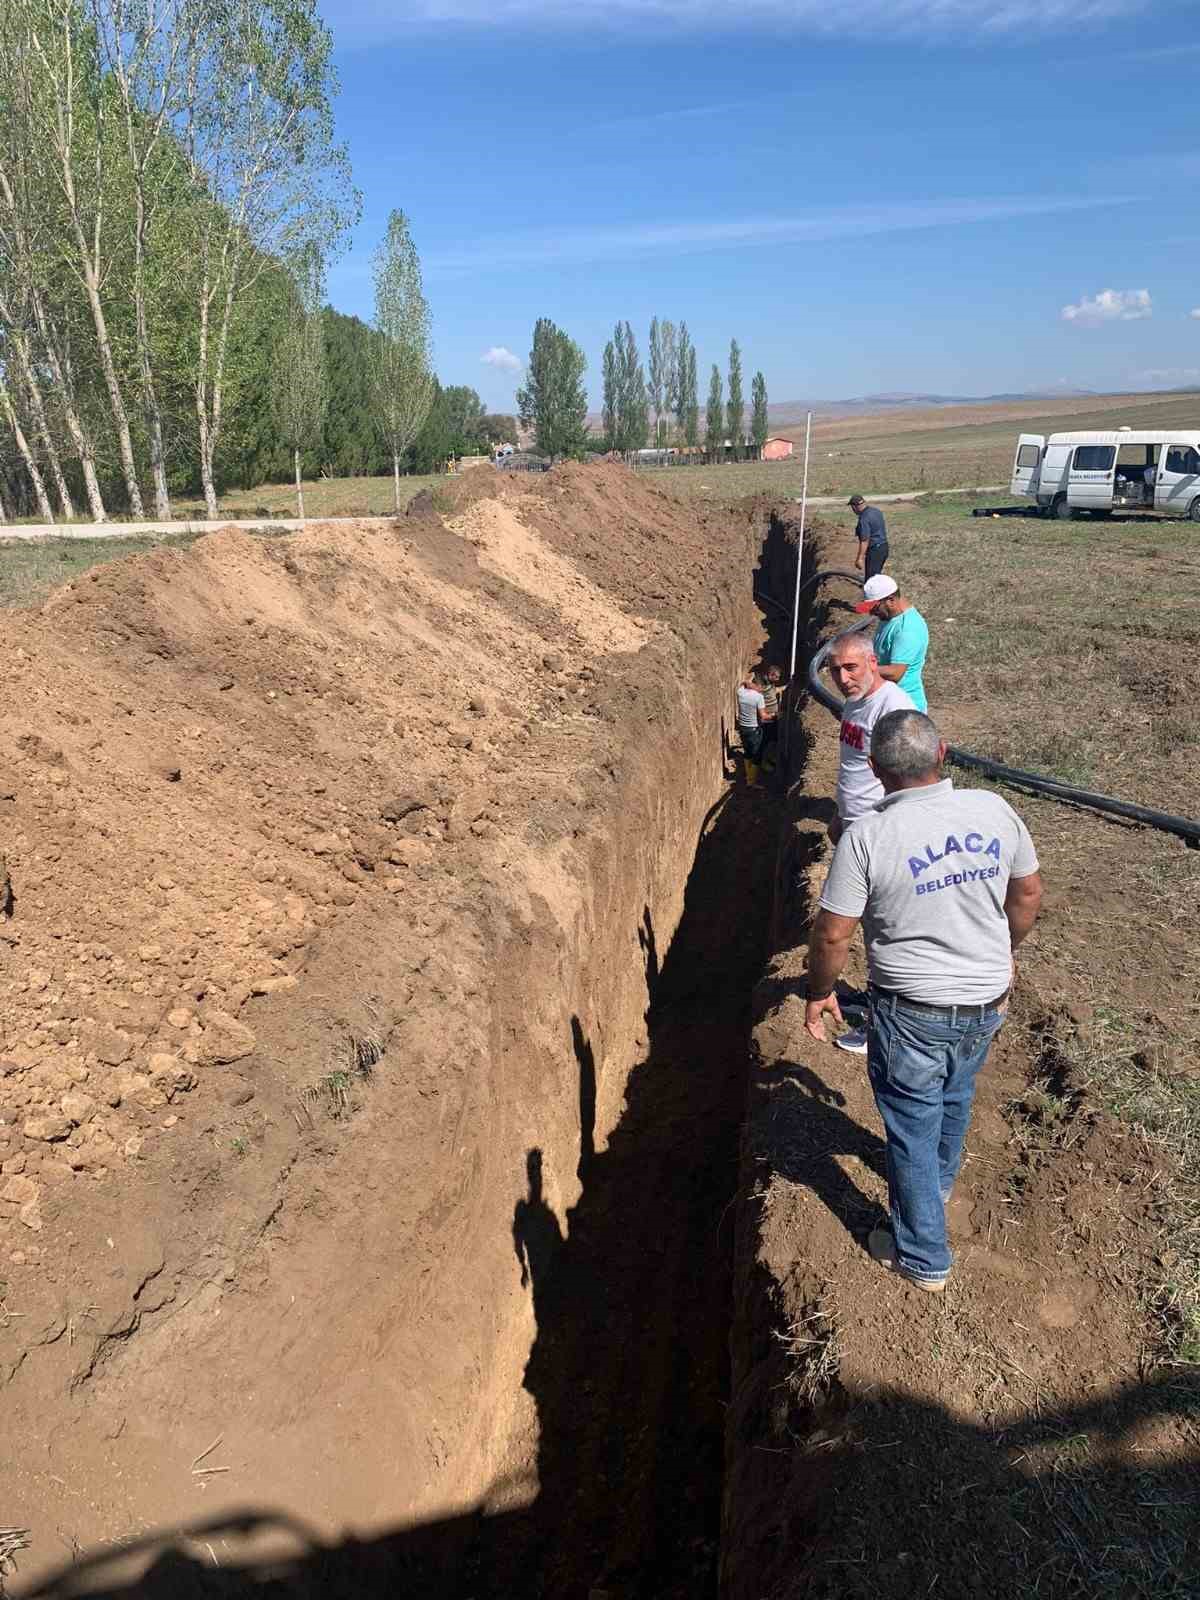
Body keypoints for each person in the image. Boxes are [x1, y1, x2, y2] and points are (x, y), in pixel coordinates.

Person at [804, 709, 1043, 1293]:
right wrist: (1006, 950)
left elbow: (834, 933)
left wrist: (820, 992)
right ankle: (935, 1188)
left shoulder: (868, 836)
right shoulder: (994, 811)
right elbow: (1029, 892)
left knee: (910, 1126)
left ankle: (923, 1257)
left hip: (912, 1009)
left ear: (877, 773)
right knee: (956, 1092)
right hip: (985, 1001)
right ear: (945, 754)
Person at [826, 634, 915, 1052]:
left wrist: (885, 829)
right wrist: (839, 816)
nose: (843, 678)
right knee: (868, 925)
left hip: (881, 835)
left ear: (873, 662)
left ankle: (883, 1026)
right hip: (856, 826)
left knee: (883, 928)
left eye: (851, 668)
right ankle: (876, 1003)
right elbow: (854, 767)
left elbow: (914, 772)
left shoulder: (893, 706)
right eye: (835, 669)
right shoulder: (857, 701)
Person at [855, 574, 930, 713]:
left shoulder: (907, 629)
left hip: (905, 711)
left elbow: (896, 673)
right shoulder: (889, 617)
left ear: (890, 600)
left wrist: (860, 669)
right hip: (886, 702)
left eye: (874, 607)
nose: (871, 612)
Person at [735, 671, 766, 782]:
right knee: (757, 755)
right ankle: (751, 781)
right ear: (757, 686)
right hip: (753, 730)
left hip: (742, 728)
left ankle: (748, 776)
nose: (762, 689)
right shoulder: (758, 697)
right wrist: (775, 715)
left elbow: (742, 683)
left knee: (747, 752)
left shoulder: (740, 692)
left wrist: (748, 681)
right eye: (762, 687)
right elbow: (763, 716)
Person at [849, 494, 888, 580]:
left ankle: (875, 592)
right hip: (884, 547)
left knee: (872, 579)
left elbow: (865, 540)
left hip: (875, 551)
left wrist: (860, 558)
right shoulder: (876, 511)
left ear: (854, 507)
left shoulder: (864, 518)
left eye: (852, 507)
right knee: (875, 574)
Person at [758, 665, 783, 770]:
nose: (778, 680)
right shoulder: (762, 684)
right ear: (770, 674)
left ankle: (770, 758)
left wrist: (785, 687)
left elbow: (773, 691)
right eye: (776, 677)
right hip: (767, 719)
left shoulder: (768, 683)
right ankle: (763, 763)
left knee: (773, 739)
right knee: (765, 741)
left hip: (772, 718)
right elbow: (767, 692)